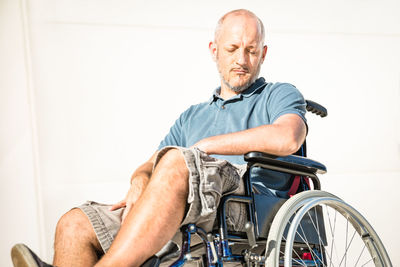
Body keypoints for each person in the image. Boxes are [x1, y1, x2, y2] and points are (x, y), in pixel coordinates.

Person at [11, 9, 307, 267]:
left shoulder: (277, 94)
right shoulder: (192, 116)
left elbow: (288, 137)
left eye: (252, 50)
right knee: (74, 224)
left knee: (178, 160)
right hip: (183, 204)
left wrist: (204, 147)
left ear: (263, 54)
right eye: (232, 48)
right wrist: (139, 178)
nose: (242, 59)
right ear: (214, 50)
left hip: (242, 204)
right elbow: (154, 163)